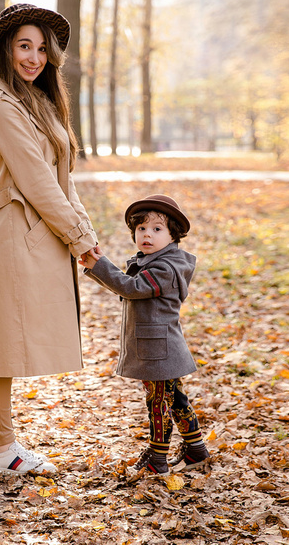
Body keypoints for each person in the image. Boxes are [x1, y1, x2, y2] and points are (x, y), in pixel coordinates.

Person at [0, 3, 100, 478]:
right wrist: (77, 236)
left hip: (35, 232)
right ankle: (0, 448)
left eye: (42, 48)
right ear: (6, 49)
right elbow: (37, 181)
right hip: (10, 234)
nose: (35, 56)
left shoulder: (37, 102)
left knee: (6, 338)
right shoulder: (2, 107)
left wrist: (85, 234)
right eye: (25, 45)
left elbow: (63, 179)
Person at [82, 194, 208, 475]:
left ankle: (157, 458)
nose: (147, 235)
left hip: (158, 350)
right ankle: (196, 448)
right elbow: (129, 287)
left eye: (157, 229)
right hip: (157, 347)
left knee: (159, 403)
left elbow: (131, 288)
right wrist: (100, 265)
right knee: (174, 398)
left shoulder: (166, 267)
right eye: (141, 229)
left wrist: (99, 265)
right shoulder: (154, 261)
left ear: (173, 235)